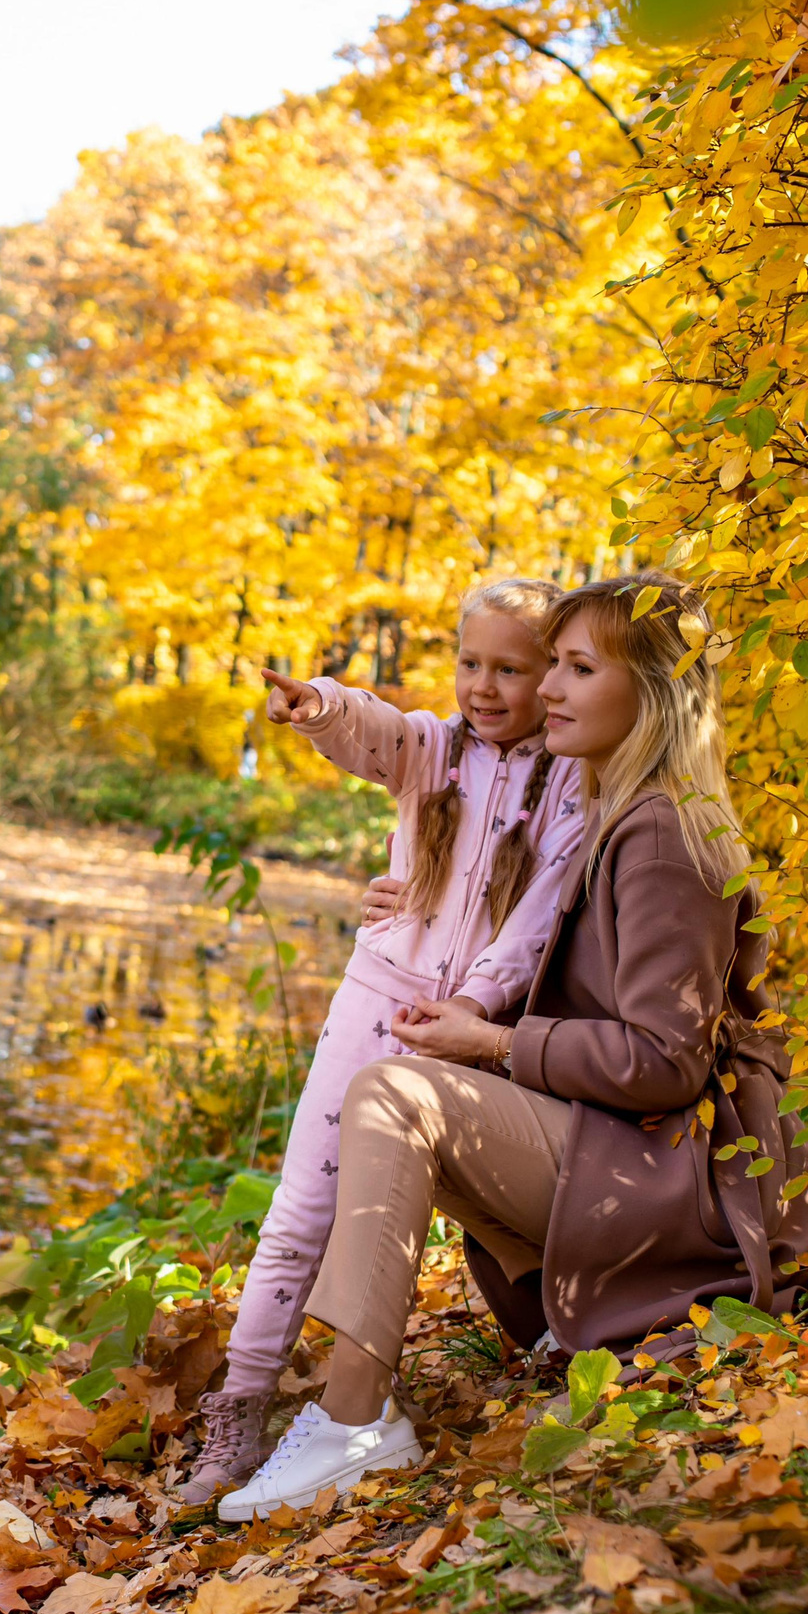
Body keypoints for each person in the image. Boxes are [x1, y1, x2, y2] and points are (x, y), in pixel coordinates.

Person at [215, 571, 808, 1521]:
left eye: (576, 669)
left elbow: (668, 1062)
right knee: (402, 1094)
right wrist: (408, 897)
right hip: (629, 1157)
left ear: (651, 693)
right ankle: (554, 1316)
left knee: (398, 1093)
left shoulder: (665, 837)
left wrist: (493, 1042)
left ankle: (352, 1422)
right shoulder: (617, 808)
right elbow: (451, 804)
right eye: (556, 665)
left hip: (678, 1182)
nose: (546, 689)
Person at [170, 578, 593, 1514]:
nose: (484, 686)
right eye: (470, 663)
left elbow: (535, 919)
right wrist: (318, 705)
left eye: (510, 669)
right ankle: (242, 1407)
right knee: (302, 1208)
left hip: (463, 1026)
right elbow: (374, 728)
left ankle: (393, 1386)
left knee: (401, 1202)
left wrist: (471, 1012)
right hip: (376, 997)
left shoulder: (573, 783)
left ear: (550, 676)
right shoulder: (434, 750)